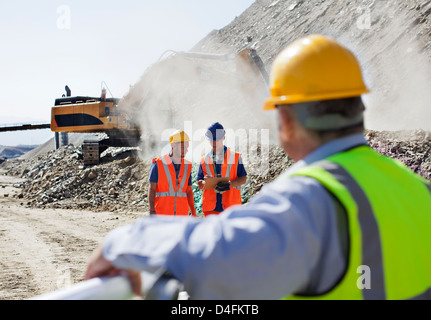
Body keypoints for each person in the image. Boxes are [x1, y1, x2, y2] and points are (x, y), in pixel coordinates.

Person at [85, 34, 431, 300]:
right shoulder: (417, 189)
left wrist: (127, 239)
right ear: (358, 107)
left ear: (285, 118)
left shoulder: (310, 198)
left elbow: (217, 256)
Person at [196, 122, 247, 217]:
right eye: (212, 140)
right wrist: (205, 182)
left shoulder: (235, 156)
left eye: (217, 140)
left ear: (223, 138)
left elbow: (243, 178)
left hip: (231, 208)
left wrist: (230, 184)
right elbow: (199, 183)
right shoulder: (204, 159)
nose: (214, 143)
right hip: (211, 209)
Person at [147, 130, 196, 216]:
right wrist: (151, 210)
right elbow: (152, 189)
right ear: (173, 145)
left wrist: (193, 211)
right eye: (183, 147)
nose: (186, 150)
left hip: (181, 215)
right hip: (162, 214)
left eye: (187, 147)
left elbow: (188, 191)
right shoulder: (158, 164)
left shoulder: (187, 166)